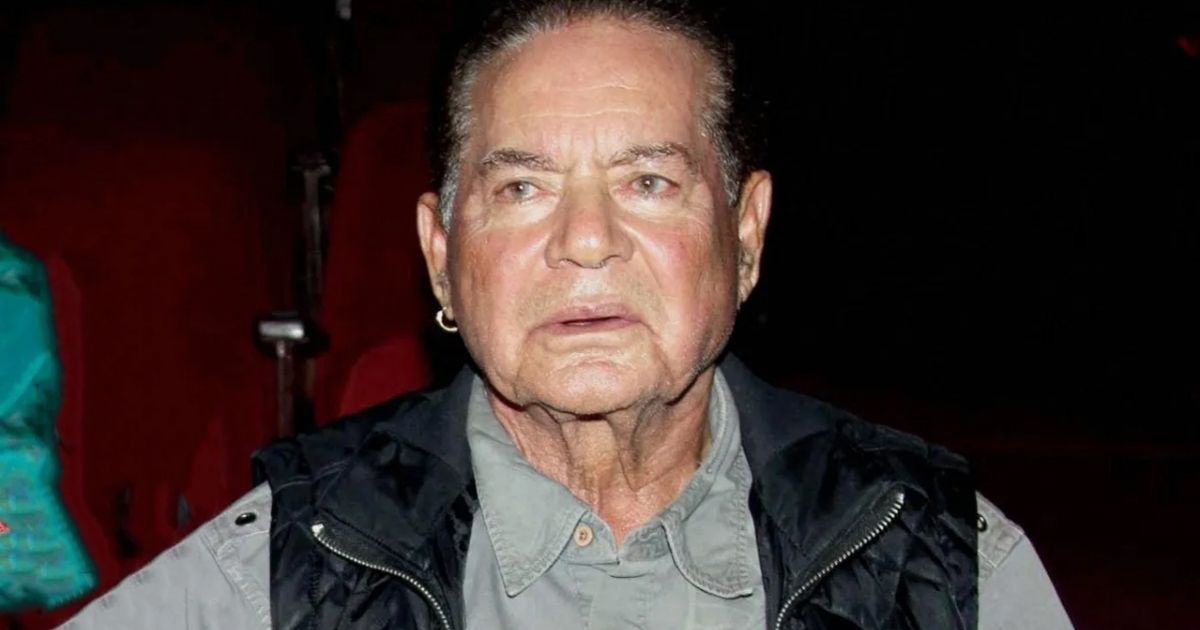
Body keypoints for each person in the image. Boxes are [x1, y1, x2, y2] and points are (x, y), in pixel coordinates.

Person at [62, 1, 1073, 628]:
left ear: (746, 235)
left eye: (647, 182)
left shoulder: (934, 560)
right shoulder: (290, 566)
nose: (586, 240)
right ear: (442, 259)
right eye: (522, 189)